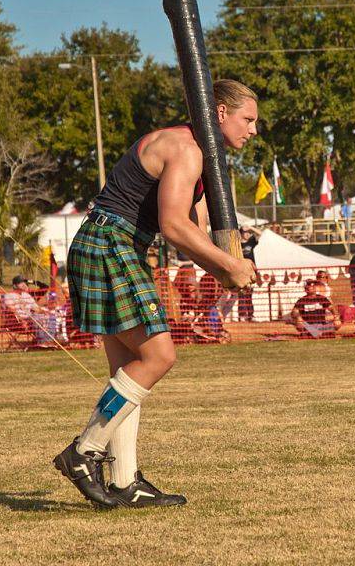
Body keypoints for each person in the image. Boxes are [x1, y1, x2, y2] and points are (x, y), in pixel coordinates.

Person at [54, 79, 258, 509]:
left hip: (107, 242)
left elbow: (196, 232)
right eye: (248, 119)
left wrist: (228, 267)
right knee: (159, 356)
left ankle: (126, 482)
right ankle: (84, 451)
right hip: (113, 242)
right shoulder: (185, 148)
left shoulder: (201, 160)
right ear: (220, 113)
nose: (254, 129)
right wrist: (230, 267)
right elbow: (174, 226)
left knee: (129, 369)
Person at [238, 226, 259, 321]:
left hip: (251, 272)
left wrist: (251, 227)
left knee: (249, 295)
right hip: (241, 271)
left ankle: (250, 315)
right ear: (241, 233)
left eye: (248, 232)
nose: (248, 234)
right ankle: (242, 315)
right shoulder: (237, 244)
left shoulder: (251, 242)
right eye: (245, 232)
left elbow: (261, 234)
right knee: (241, 294)